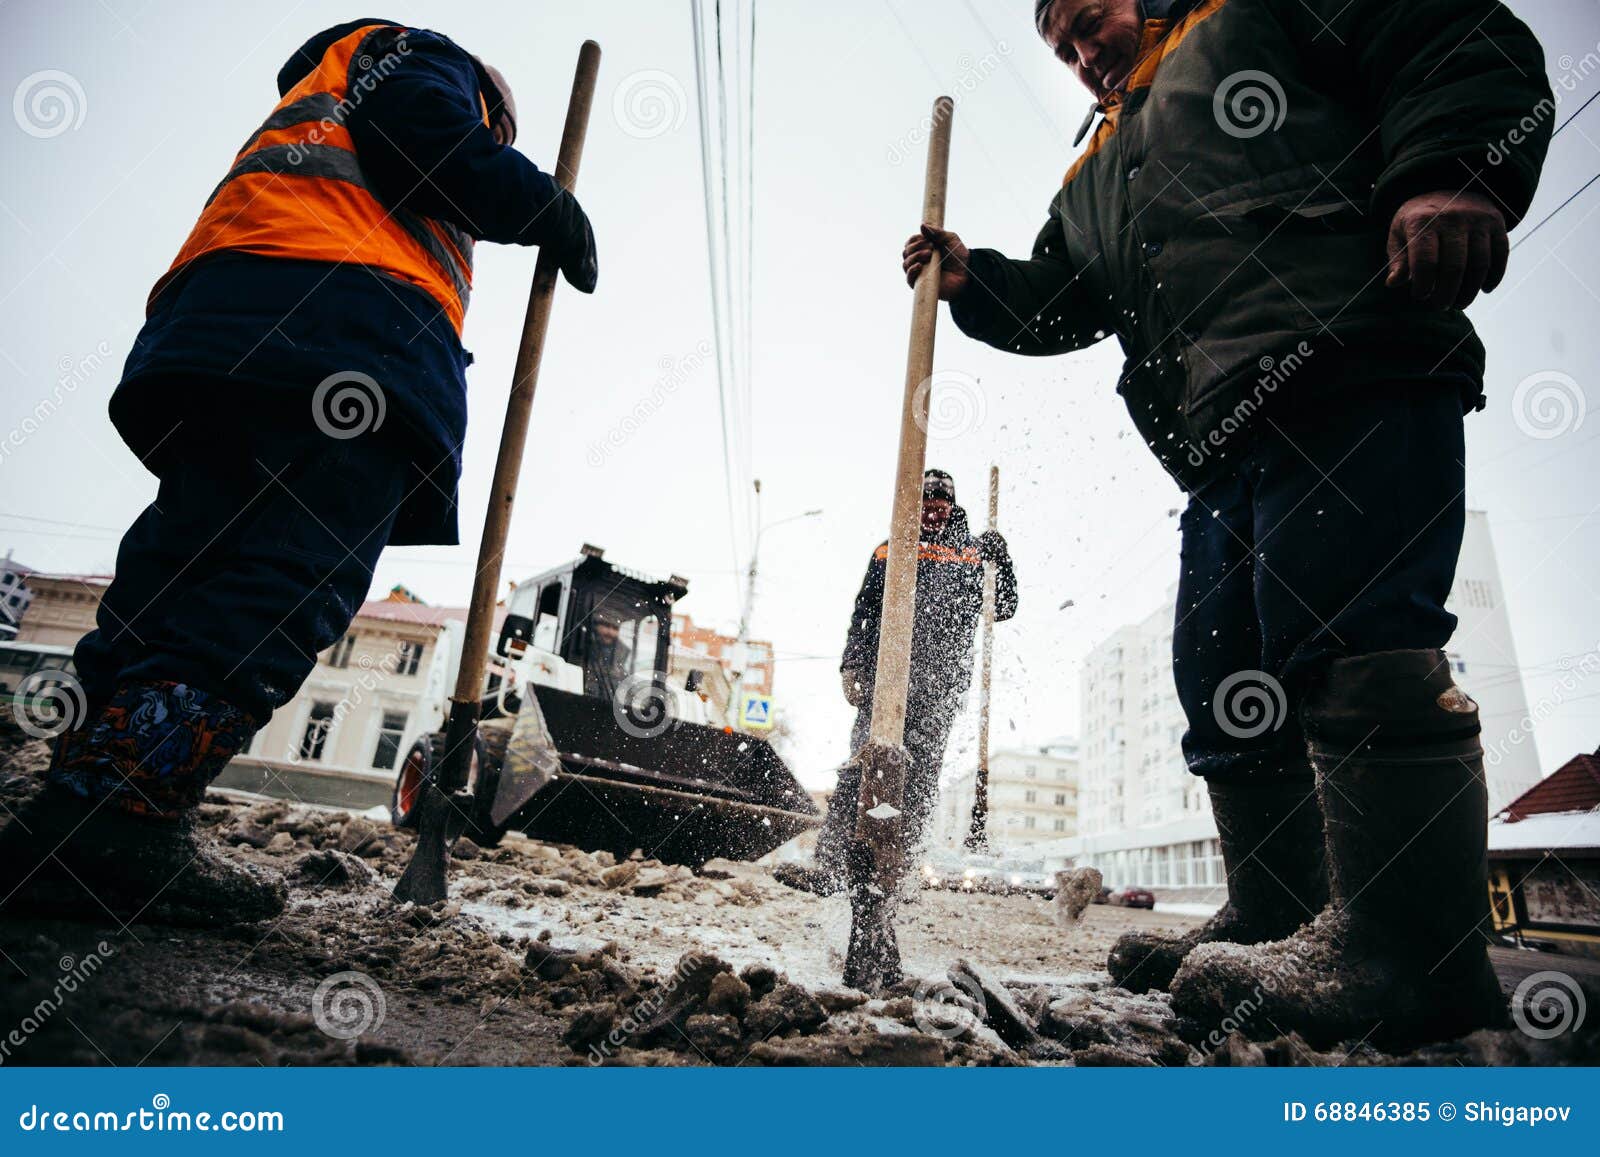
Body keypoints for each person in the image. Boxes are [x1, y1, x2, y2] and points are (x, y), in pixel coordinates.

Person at [904, 0, 1552, 1049]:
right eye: (1060, 48)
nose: (1080, 54)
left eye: (1087, 20)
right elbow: (1061, 303)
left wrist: (1449, 169)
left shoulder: (1256, 11)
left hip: (1352, 355)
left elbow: (1441, 33)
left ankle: (1411, 951)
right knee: (1220, 674)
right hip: (1220, 442)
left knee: (1354, 637)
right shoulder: (1095, 171)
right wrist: (975, 280)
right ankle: (1283, 916)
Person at [0, 19, 598, 927]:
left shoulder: (315, 105)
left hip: (232, 329)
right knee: (282, 576)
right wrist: (544, 203)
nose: (493, 143)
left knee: (184, 566)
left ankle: (80, 802)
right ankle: (122, 819)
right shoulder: (421, 61)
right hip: (339, 343)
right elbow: (429, 140)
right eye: (497, 131)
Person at [777, 469, 1017, 895]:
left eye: (940, 506)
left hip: (939, 689)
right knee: (861, 769)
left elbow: (1003, 608)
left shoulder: (972, 553)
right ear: (914, 503)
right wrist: (852, 664)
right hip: (884, 683)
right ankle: (833, 866)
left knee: (919, 782)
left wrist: (1002, 563)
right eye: (926, 504)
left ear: (952, 505)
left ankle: (897, 876)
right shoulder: (890, 549)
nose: (933, 513)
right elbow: (864, 614)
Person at [583, 612, 632, 702]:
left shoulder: (622, 654)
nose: (610, 632)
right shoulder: (582, 644)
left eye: (615, 628)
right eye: (606, 625)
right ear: (595, 626)